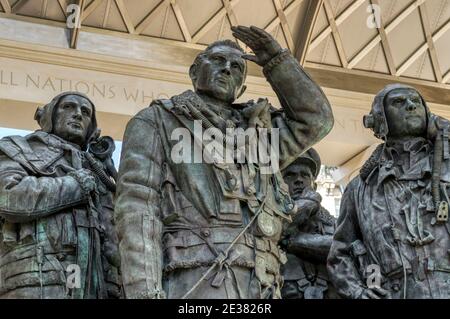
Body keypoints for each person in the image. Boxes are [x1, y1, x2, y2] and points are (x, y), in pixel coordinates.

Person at [115, 25, 334, 299]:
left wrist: (276, 61)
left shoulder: (260, 133)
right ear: (195, 71)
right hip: (195, 272)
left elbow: (317, 121)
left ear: (242, 88)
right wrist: (143, 291)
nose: (227, 69)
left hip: (262, 279)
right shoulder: (157, 120)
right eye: (217, 61)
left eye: (236, 67)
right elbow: (137, 208)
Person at [328, 83, 450, 299]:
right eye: (399, 102)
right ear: (380, 118)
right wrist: (357, 292)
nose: (411, 106)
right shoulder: (359, 188)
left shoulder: (446, 169)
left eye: (416, 101)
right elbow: (340, 252)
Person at [0, 92, 121, 299]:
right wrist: (75, 186)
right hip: (34, 278)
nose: (77, 115)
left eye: (86, 112)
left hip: (96, 285)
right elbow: (9, 195)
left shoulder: (99, 169)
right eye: (68, 107)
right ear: (50, 116)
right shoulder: (18, 148)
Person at [280, 149, 338, 299]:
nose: (298, 180)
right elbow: (278, 233)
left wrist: (293, 242)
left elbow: (344, 248)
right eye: (290, 175)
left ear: (314, 186)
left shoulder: (333, 224)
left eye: (305, 175)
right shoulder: (268, 222)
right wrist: (307, 203)